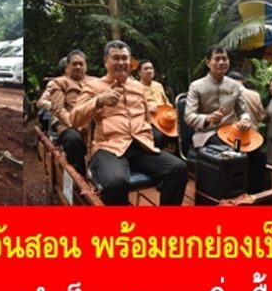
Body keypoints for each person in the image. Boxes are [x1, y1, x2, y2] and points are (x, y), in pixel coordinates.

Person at [72, 41, 187, 206]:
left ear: (130, 62)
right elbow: (74, 119)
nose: (121, 62)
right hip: (109, 148)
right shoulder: (94, 86)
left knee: (178, 168)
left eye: (124, 58)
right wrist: (98, 101)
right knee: (115, 182)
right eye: (115, 58)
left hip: (141, 146)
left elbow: (147, 118)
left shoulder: (138, 88)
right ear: (106, 61)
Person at [184, 47, 259, 192]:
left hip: (232, 132)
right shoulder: (196, 86)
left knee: (258, 152)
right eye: (217, 59)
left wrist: (245, 119)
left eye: (224, 59)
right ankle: (221, 196)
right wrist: (208, 118)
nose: (221, 62)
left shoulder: (234, 85)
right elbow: (189, 116)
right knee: (231, 152)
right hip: (207, 134)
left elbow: (243, 111)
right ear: (208, 62)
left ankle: (252, 195)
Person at [38, 50, 91, 175]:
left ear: (86, 66)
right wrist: (75, 123)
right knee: (74, 139)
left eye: (81, 64)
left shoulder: (95, 81)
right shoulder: (58, 82)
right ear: (67, 67)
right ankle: (79, 178)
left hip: (93, 120)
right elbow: (58, 108)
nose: (78, 67)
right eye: (74, 64)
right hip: (68, 123)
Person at [138, 60, 175, 152]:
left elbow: (167, 102)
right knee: (158, 137)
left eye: (151, 68)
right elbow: (134, 107)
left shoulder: (158, 85)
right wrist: (147, 108)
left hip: (165, 117)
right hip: (150, 120)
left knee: (182, 129)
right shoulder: (136, 87)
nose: (149, 71)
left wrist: (173, 111)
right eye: (146, 69)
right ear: (139, 73)